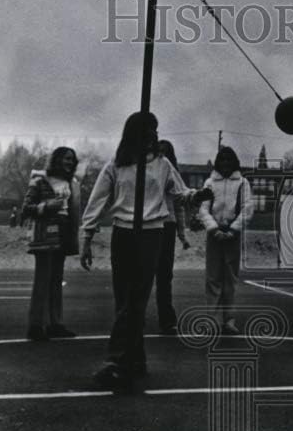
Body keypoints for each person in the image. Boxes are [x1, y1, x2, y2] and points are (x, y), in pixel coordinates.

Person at [79, 113, 207, 389]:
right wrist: (87, 237)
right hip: (123, 233)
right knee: (124, 298)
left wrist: (198, 195)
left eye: (156, 130)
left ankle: (118, 360)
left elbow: (180, 193)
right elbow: (97, 200)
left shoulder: (162, 165)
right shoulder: (117, 164)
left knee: (135, 299)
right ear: (136, 132)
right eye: (150, 129)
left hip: (151, 233)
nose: (155, 135)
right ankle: (136, 359)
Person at [23, 146, 80, 341]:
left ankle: (55, 323)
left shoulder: (72, 183)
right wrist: (46, 206)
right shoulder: (40, 180)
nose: (69, 162)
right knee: (42, 280)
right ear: (56, 160)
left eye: (72, 159)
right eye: (66, 159)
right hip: (45, 233)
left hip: (63, 230)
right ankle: (36, 325)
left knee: (56, 279)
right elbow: (26, 208)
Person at [199, 146, 253, 335]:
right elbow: (203, 209)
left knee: (230, 279)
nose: (225, 163)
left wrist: (232, 230)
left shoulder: (243, 183)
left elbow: (247, 209)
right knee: (213, 278)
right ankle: (212, 320)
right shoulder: (210, 182)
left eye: (229, 160)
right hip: (214, 234)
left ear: (235, 162)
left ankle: (228, 320)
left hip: (232, 235)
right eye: (222, 160)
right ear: (217, 162)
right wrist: (213, 228)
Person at [154, 139, 191, 334]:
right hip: (149, 225)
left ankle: (166, 319)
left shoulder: (173, 177)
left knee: (164, 275)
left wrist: (182, 235)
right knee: (143, 274)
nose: (162, 155)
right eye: (158, 151)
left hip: (167, 226)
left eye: (165, 152)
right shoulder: (150, 173)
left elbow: (179, 208)